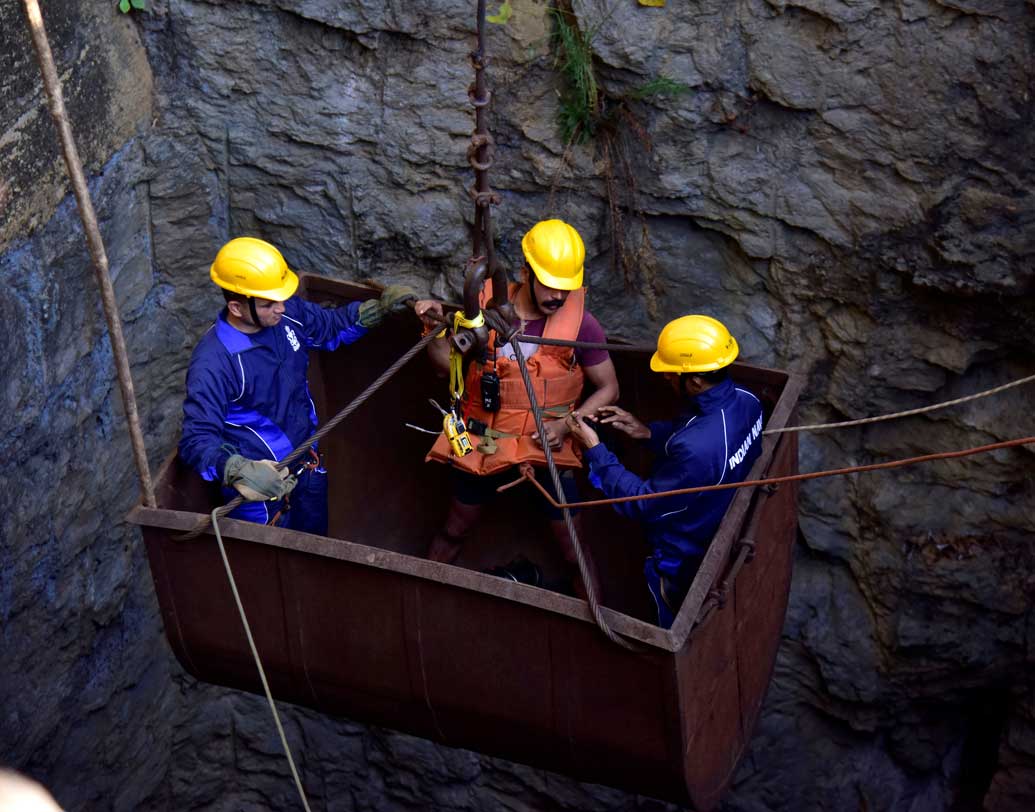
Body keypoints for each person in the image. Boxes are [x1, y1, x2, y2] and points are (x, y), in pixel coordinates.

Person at [179, 236, 435, 533]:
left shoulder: (286, 315)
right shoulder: (214, 362)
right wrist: (236, 470)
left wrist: (376, 310)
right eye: (268, 303)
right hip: (258, 494)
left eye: (281, 298)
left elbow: (329, 329)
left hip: (307, 465)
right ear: (237, 307)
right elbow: (196, 440)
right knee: (272, 565)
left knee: (314, 544)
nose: (280, 307)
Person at [424, 219, 619, 599]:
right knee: (455, 527)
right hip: (484, 441)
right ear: (526, 272)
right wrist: (430, 328)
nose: (558, 297)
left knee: (573, 545)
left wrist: (566, 425)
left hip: (546, 446)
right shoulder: (482, 310)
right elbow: (445, 367)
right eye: (549, 284)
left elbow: (609, 387)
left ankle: (597, 616)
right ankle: (423, 593)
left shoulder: (582, 326)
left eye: (566, 288)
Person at [566, 315, 764, 628]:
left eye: (672, 374)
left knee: (664, 615)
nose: (666, 379)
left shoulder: (698, 449)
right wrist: (648, 433)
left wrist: (595, 450)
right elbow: (698, 435)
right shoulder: (747, 401)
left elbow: (642, 503)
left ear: (695, 381)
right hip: (713, 516)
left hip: (682, 553)